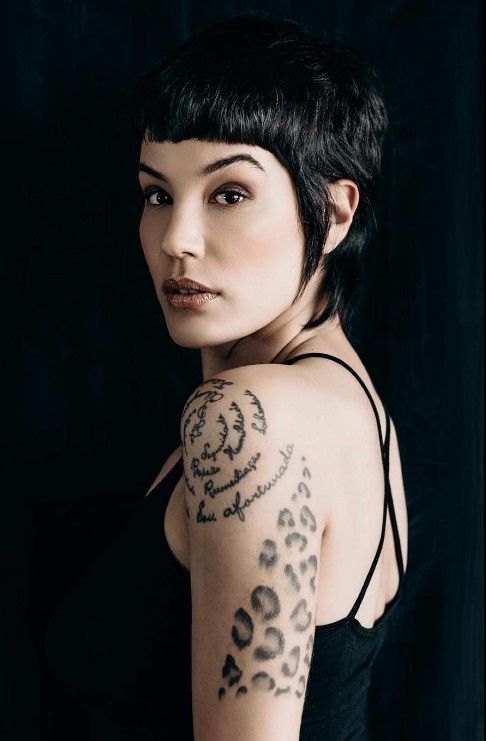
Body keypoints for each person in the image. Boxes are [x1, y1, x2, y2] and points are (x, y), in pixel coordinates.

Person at [45, 12, 408, 740]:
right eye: (157, 194)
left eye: (229, 194)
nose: (177, 240)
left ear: (335, 214)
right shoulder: (350, 405)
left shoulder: (252, 418)